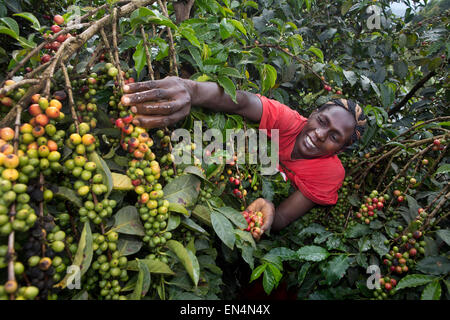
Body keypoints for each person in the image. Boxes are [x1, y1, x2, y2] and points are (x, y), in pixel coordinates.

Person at [121, 76, 367, 240]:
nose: (320, 134)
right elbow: (243, 102)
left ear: (341, 150)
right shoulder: (289, 121)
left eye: (335, 137)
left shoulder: (329, 174)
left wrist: (268, 208)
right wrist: (191, 89)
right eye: (322, 121)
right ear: (312, 114)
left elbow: (281, 218)